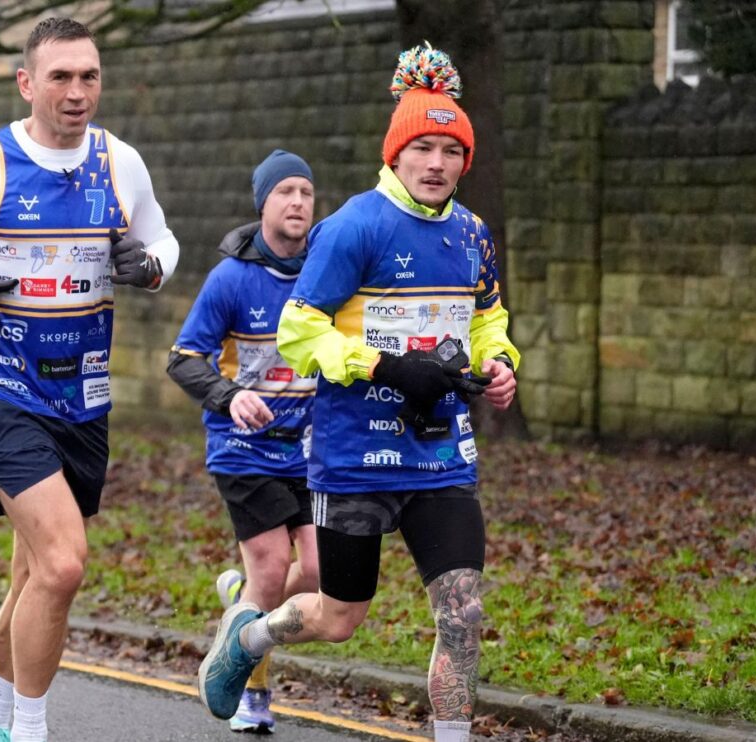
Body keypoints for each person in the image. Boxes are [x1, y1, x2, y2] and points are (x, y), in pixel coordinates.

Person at [197, 44, 519, 742]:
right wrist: (385, 367)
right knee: (338, 617)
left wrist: (497, 361)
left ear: (466, 161)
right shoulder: (352, 227)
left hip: (439, 455)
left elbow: (486, 316)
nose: (436, 163)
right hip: (354, 458)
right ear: (395, 154)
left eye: (451, 151)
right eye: (422, 148)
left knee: (462, 615)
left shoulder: (472, 234)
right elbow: (297, 331)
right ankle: (249, 639)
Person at [0, 17, 178, 742]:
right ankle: (29, 729)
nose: (77, 91)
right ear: (27, 83)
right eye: (60, 77)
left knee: (32, 574)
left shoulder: (122, 163)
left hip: (85, 395)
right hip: (3, 391)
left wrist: (149, 267)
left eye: (89, 76)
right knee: (63, 564)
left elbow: (163, 238)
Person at [167, 149, 320, 734]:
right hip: (244, 446)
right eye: (285, 192)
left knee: (321, 573)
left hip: (309, 449)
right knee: (273, 565)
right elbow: (183, 359)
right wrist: (229, 396)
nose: (298, 203)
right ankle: (253, 692)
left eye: (306, 193)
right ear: (263, 204)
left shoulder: (326, 273)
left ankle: (241, 600)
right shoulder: (230, 279)